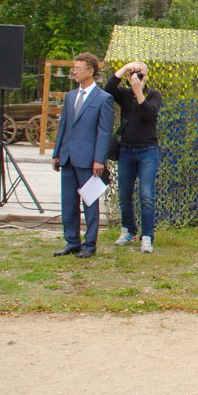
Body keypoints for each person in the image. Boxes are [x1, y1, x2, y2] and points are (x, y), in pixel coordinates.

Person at [52, 53, 115, 259]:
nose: (74, 71)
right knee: (68, 202)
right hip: (68, 157)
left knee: (90, 202)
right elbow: (63, 127)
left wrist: (99, 159)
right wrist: (56, 153)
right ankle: (72, 241)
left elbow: (104, 132)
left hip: (88, 159)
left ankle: (90, 244)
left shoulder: (103, 98)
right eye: (74, 68)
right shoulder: (70, 96)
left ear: (90, 71)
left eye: (79, 68)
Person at [106, 61, 163, 254]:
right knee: (124, 195)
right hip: (127, 150)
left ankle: (147, 236)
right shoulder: (124, 94)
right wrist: (125, 69)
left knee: (146, 195)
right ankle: (129, 230)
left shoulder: (153, 94)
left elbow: (149, 114)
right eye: (135, 74)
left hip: (147, 150)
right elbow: (108, 88)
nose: (138, 78)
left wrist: (139, 91)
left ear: (147, 77)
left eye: (142, 75)